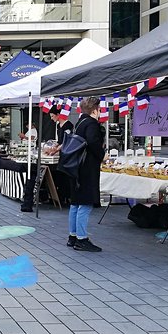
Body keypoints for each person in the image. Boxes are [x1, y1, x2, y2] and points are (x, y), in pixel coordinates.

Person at [67, 96, 104, 253]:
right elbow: (93, 142)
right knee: (85, 203)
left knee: (75, 203)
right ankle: (81, 239)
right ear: (95, 110)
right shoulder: (91, 124)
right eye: (100, 109)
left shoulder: (79, 123)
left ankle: (73, 236)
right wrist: (103, 154)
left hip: (76, 167)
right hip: (87, 168)